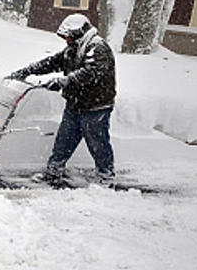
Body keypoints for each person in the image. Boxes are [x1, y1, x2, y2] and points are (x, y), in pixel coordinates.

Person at [7, 13, 116, 187]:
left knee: (98, 144)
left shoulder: (97, 48)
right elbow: (53, 62)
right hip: (75, 104)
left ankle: (106, 177)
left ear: (78, 33)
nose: (66, 40)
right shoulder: (74, 49)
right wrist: (27, 71)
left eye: (68, 37)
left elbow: (91, 73)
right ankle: (53, 172)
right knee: (63, 141)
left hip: (96, 107)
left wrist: (63, 81)